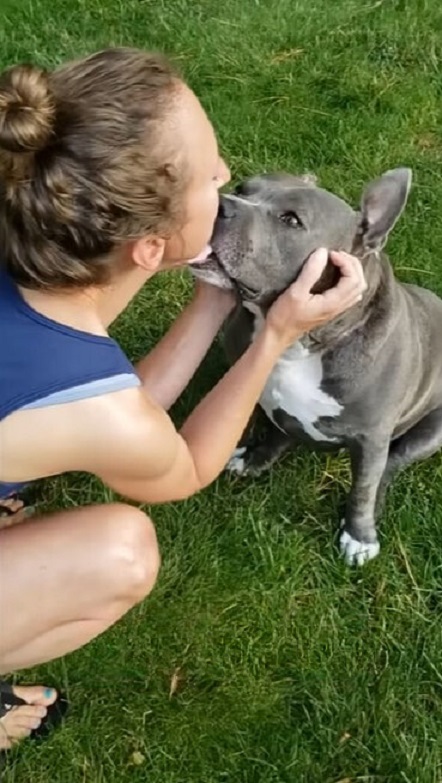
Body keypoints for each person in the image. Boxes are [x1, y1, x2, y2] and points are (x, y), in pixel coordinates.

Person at [0, 47, 366, 751]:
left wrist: (207, 283)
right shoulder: (92, 409)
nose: (227, 178)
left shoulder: (31, 219)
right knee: (123, 552)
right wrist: (275, 334)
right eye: (211, 175)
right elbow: (186, 464)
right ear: (145, 247)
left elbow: (110, 391)